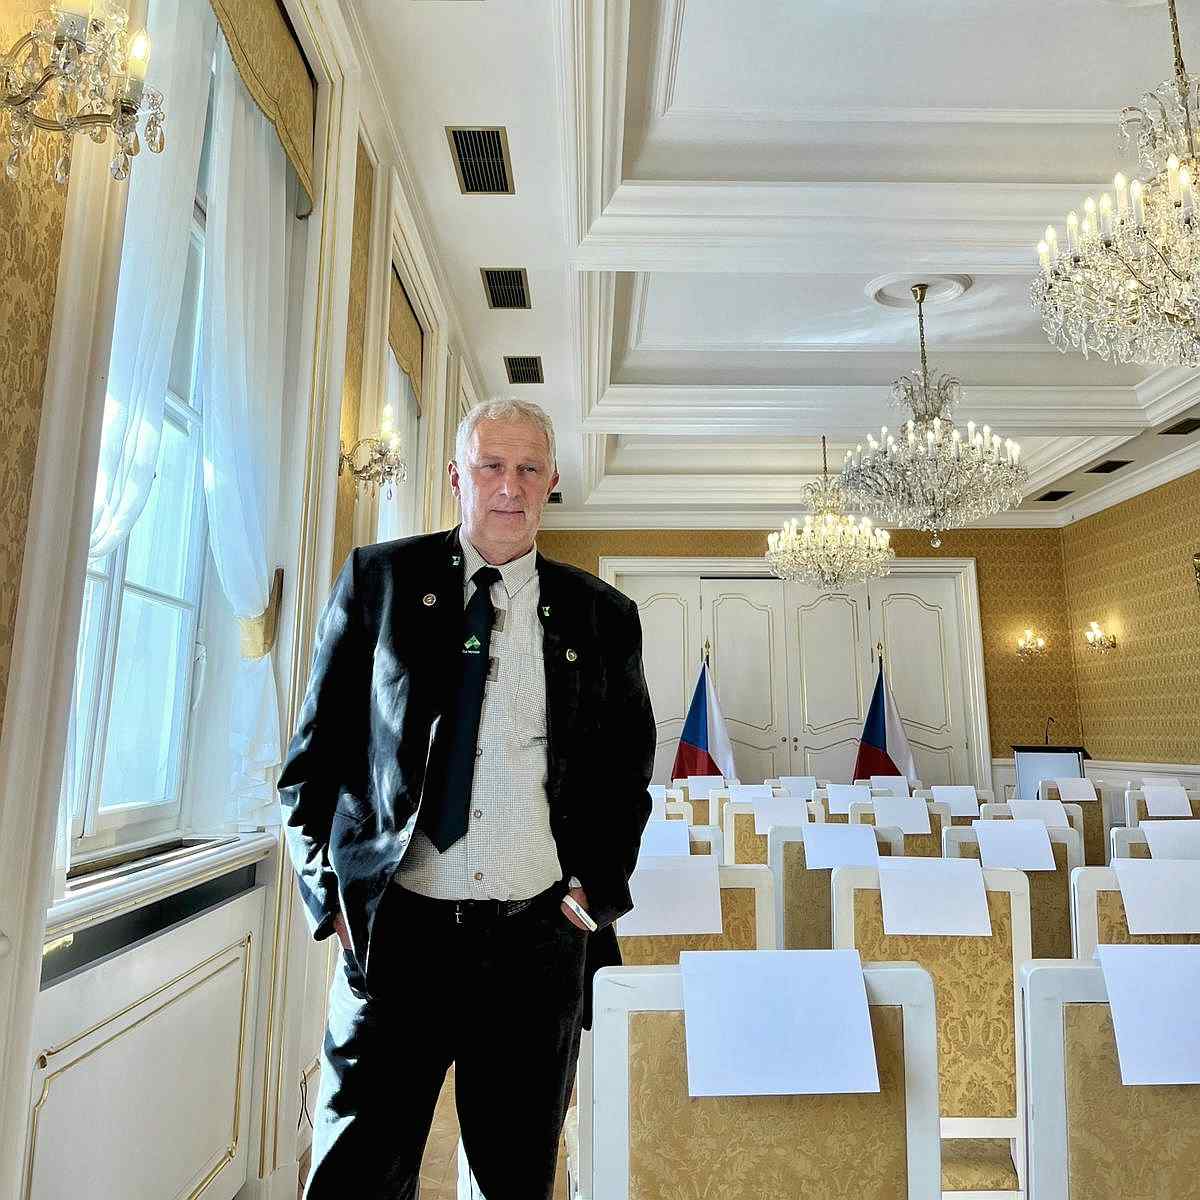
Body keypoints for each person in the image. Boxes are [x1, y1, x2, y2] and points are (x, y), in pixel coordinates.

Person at [279, 396, 655, 1199]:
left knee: (514, 1178)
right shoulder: (380, 581)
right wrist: (330, 897)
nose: (509, 486)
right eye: (491, 466)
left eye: (528, 468)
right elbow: (313, 761)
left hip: (535, 943)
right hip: (395, 936)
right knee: (354, 1175)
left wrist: (595, 891)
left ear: (551, 481)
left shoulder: (603, 615)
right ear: (457, 476)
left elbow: (626, 774)